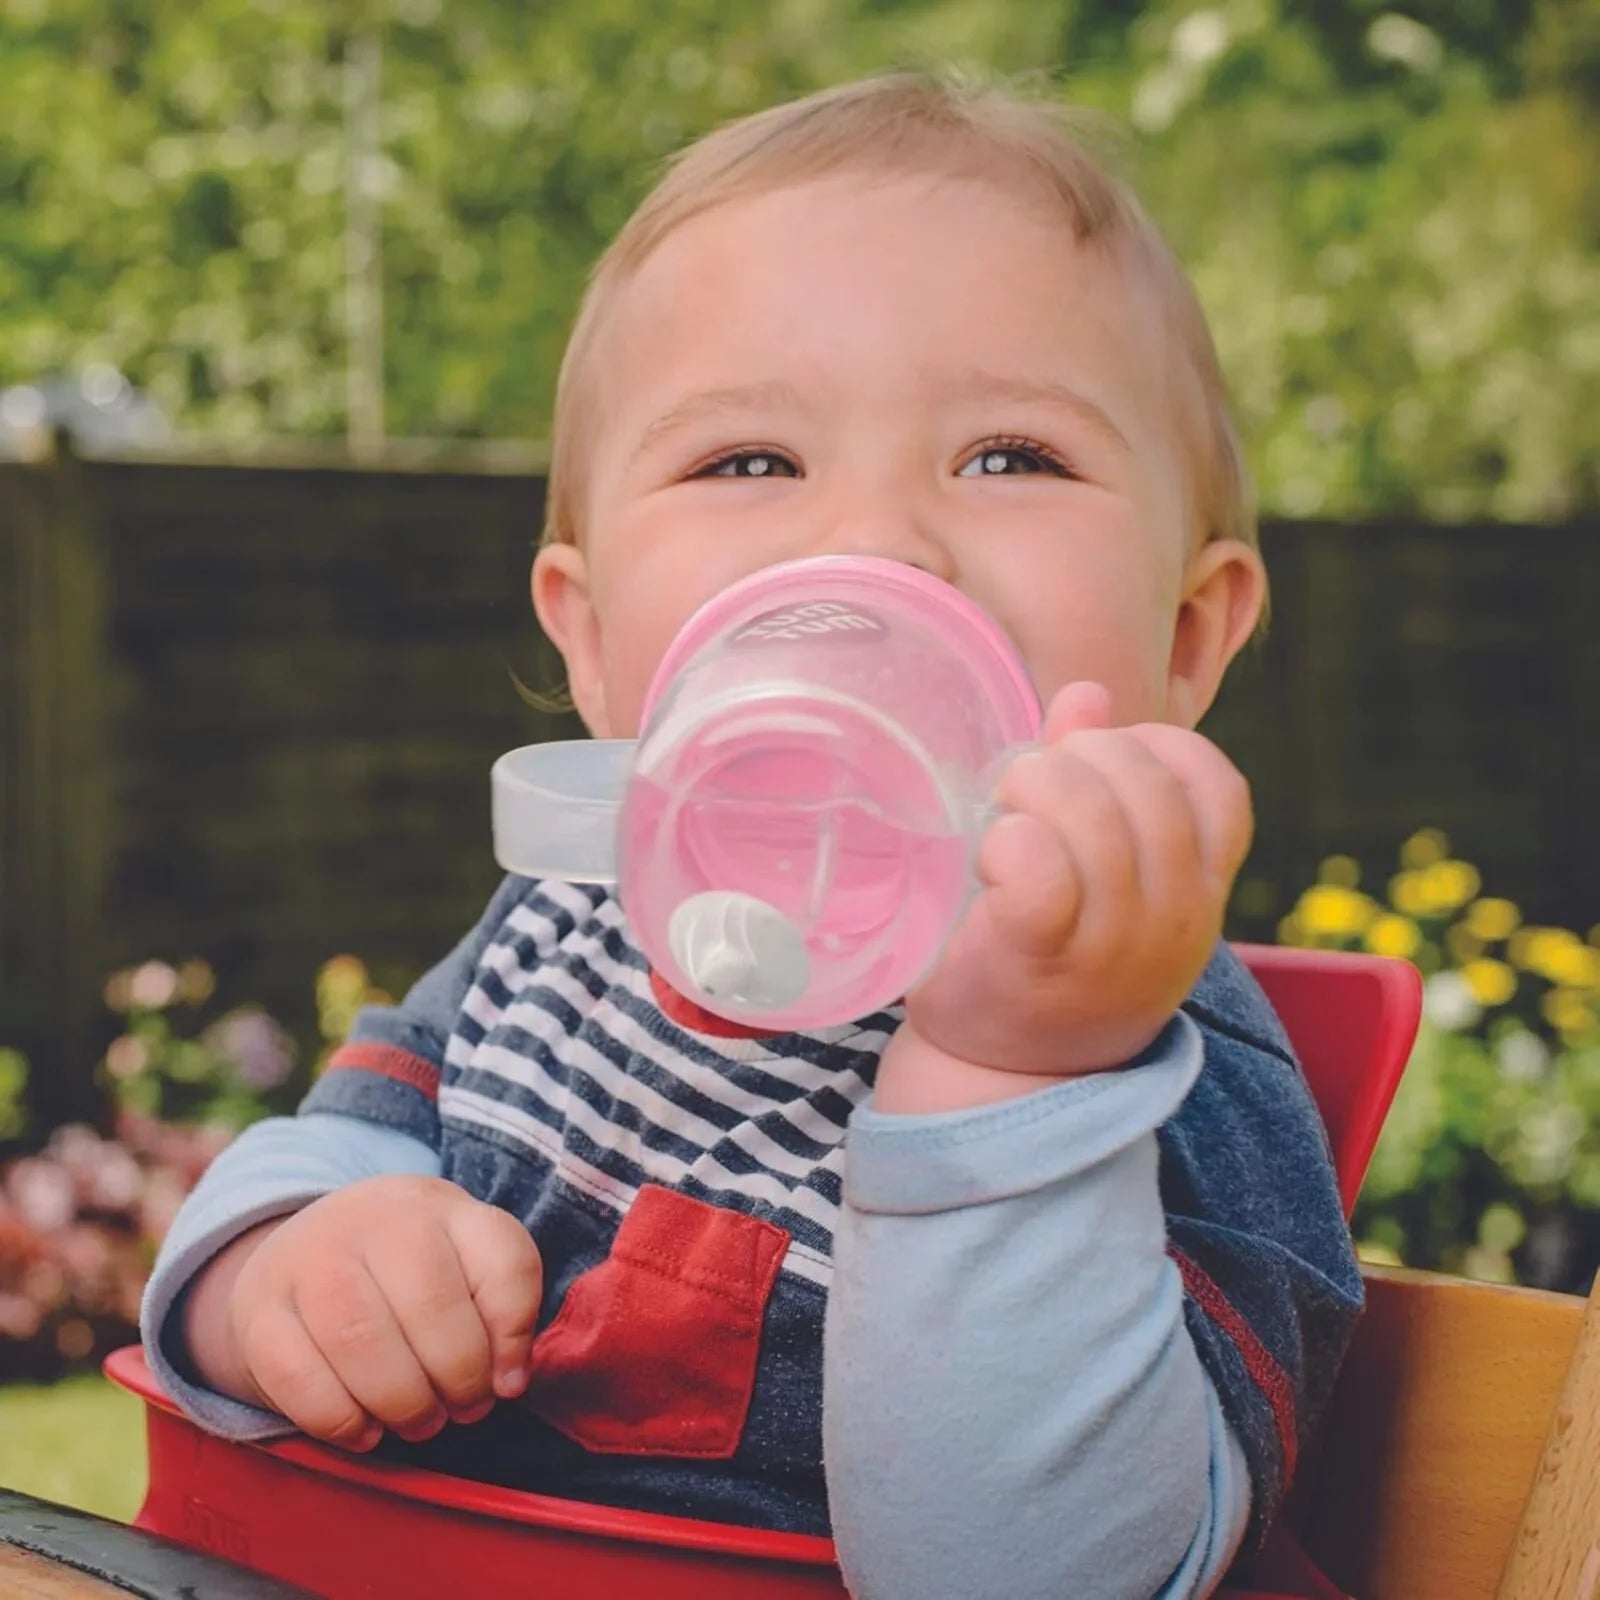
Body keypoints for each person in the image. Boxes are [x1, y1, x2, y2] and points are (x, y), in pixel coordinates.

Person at [141, 73, 1361, 1600]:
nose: (873, 544)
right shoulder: (566, 928)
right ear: (594, 645)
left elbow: (1037, 1576)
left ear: (1186, 639)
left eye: (1009, 457)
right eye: (750, 463)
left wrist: (1014, 1074)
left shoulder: (1159, 1058)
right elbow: (325, 1156)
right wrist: (289, 1266)